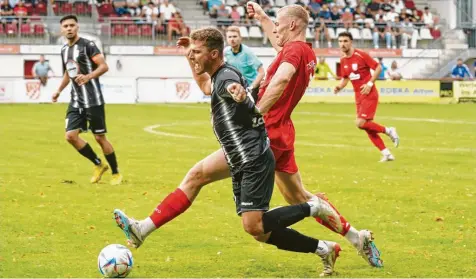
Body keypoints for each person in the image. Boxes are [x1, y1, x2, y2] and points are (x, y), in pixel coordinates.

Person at [113, 4, 383, 270]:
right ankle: (354, 238)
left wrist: (257, 111)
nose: (274, 29)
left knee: (199, 178)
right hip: (282, 130)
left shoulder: (294, 52)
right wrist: (264, 18)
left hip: (265, 132)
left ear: (292, 25)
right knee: (296, 200)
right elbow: (280, 49)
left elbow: (282, 78)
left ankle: (143, 228)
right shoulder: (302, 50)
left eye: (278, 23)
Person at [52, 15, 122, 185]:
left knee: (99, 138)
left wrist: (88, 77)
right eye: (66, 26)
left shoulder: (88, 45)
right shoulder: (64, 50)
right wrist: (58, 91)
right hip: (76, 100)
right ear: (62, 30)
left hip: (93, 99)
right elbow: (69, 72)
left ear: (77, 27)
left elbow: (104, 66)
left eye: (72, 25)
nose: (69, 28)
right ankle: (98, 165)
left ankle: (116, 173)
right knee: (70, 136)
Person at [334, 31, 400, 162]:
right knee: (366, 126)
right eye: (340, 41)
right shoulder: (342, 59)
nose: (342, 44)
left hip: (369, 94)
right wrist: (339, 87)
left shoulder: (361, 55)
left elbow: (378, 67)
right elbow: (346, 78)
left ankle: (388, 130)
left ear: (351, 42)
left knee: (360, 123)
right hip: (358, 96)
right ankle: (386, 153)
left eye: (345, 41)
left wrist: (370, 83)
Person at [224, 25, 265, 101]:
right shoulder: (226, 52)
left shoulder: (247, 52)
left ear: (240, 38)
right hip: (237, 88)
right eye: (229, 37)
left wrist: (252, 87)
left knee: (253, 112)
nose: (232, 39)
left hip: (252, 89)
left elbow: (262, 72)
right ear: (226, 39)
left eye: (235, 36)